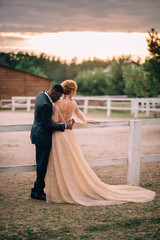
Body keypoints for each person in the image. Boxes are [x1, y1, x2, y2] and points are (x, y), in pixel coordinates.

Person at [45, 80, 155, 206]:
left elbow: (53, 120)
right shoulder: (73, 103)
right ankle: (69, 188)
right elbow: (79, 114)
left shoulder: (57, 103)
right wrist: (87, 120)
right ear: (73, 91)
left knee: (58, 161)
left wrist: (60, 122)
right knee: (71, 161)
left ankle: (60, 190)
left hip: (58, 135)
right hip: (69, 135)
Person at [30, 84, 74, 201]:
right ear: (53, 93)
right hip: (42, 137)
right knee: (42, 165)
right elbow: (47, 125)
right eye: (58, 96)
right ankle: (38, 191)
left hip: (37, 134)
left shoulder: (40, 94)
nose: (58, 99)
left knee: (41, 164)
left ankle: (36, 190)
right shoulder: (45, 104)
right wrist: (65, 125)